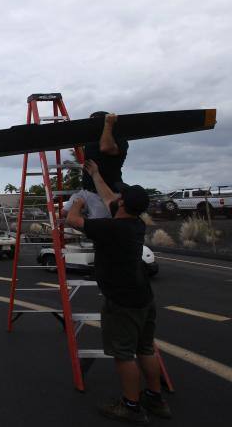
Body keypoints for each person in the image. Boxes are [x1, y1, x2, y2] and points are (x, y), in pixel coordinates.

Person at [66, 160, 171, 424]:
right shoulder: (135, 223)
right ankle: (155, 399)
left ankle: (130, 406)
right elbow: (109, 197)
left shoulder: (110, 228)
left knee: (124, 355)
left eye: (121, 196)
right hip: (143, 297)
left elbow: (73, 219)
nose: (117, 197)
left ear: (123, 205)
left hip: (122, 302)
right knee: (145, 348)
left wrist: (78, 200)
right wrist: (95, 173)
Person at [64, 112, 130, 219]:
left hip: (106, 192)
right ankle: (90, 227)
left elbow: (105, 147)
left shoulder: (119, 139)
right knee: (66, 213)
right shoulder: (91, 140)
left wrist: (108, 124)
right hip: (87, 190)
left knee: (100, 228)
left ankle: (93, 229)